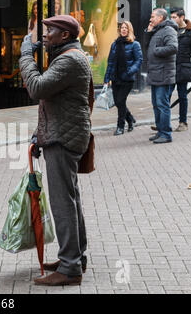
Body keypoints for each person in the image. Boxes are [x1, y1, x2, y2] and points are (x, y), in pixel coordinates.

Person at [19, 15, 92, 286]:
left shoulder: (68, 60)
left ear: (64, 35)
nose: (45, 34)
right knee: (71, 200)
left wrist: (25, 55)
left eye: (50, 30)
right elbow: (56, 101)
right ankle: (75, 258)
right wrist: (41, 134)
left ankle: (70, 268)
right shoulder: (68, 56)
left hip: (63, 139)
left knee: (63, 203)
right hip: (63, 134)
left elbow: (37, 88)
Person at [104, 21, 143, 136]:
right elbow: (110, 62)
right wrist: (107, 78)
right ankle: (130, 119)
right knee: (118, 102)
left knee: (120, 101)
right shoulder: (115, 44)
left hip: (127, 78)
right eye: (122, 28)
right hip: (115, 78)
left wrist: (129, 72)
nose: (124, 30)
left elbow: (139, 60)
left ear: (130, 30)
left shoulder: (135, 44)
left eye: (126, 28)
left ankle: (120, 126)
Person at [146, 8, 178, 144]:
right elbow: (148, 47)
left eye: (153, 16)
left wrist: (157, 51)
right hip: (155, 73)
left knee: (162, 105)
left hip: (164, 74)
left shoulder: (169, 30)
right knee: (156, 105)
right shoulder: (157, 30)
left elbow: (173, 47)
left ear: (160, 18)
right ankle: (160, 131)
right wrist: (148, 33)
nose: (150, 19)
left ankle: (166, 134)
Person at [170, 7, 191, 132]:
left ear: (182, 17)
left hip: (183, 68)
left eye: (174, 17)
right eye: (170, 17)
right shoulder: (169, 31)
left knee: (182, 96)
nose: (172, 19)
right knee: (166, 96)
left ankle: (183, 122)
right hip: (170, 68)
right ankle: (163, 123)